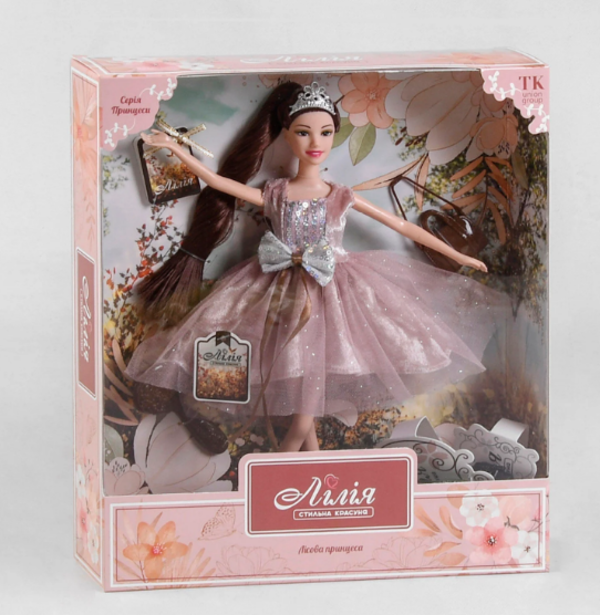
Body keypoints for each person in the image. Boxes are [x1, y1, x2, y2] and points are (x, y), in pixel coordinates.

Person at [126, 81, 505, 453]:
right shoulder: (275, 192)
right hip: (277, 294)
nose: (315, 142)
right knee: (298, 392)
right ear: (286, 136)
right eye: (303, 132)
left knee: (303, 413)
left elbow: (401, 226)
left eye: (325, 132)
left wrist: (459, 256)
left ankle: (284, 467)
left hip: (334, 293)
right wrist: (174, 148)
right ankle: (311, 463)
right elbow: (217, 182)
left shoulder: (340, 195)